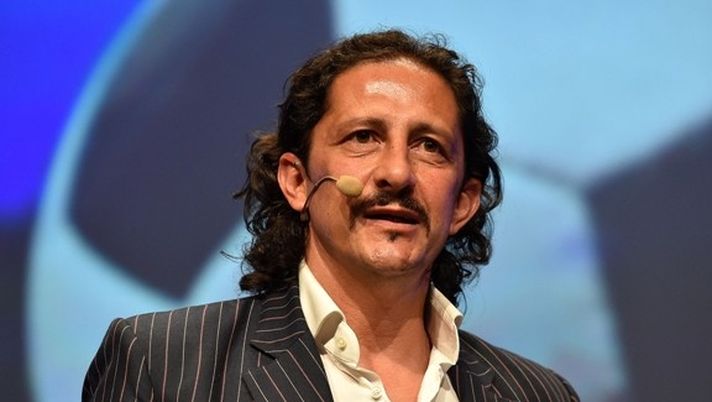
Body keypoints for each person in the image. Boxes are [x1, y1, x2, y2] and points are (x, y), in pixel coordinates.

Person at [83, 30, 579, 402]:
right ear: (297, 181)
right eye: (363, 137)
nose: (396, 173)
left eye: (429, 146)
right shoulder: (162, 363)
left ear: (463, 203)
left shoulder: (538, 394)